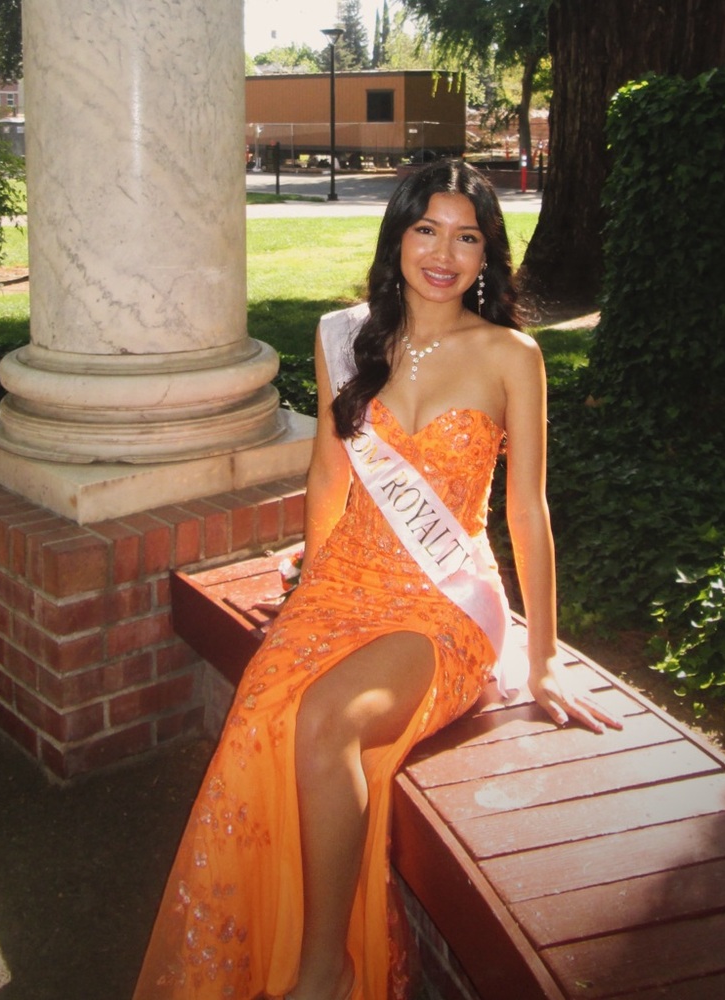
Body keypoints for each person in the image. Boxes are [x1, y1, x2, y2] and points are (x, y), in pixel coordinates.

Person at [133, 159, 622, 1000]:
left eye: (467, 236)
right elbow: (328, 477)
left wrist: (543, 659)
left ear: (488, 255)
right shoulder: (346, 338)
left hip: (440, 604)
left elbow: (528, 515)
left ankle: (326, 971)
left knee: (326, 722)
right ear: (397, 235)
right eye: (426, 229)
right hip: (343, 582)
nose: (444, 252)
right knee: (263, 708)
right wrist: (309, 587)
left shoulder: (513, 355)